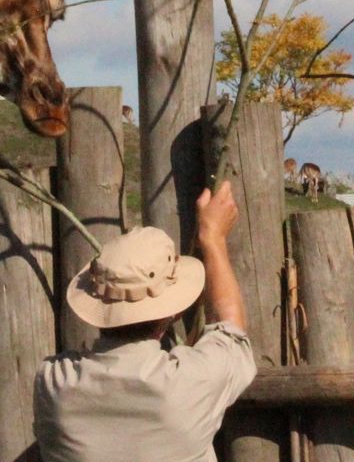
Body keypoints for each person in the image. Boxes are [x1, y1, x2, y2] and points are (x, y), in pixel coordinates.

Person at [33, 182, 254, 461]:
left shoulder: (52, 383)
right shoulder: (191, 381)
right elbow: (230, 329)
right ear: (170, 313)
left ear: (97, 302)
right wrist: (213, 238)